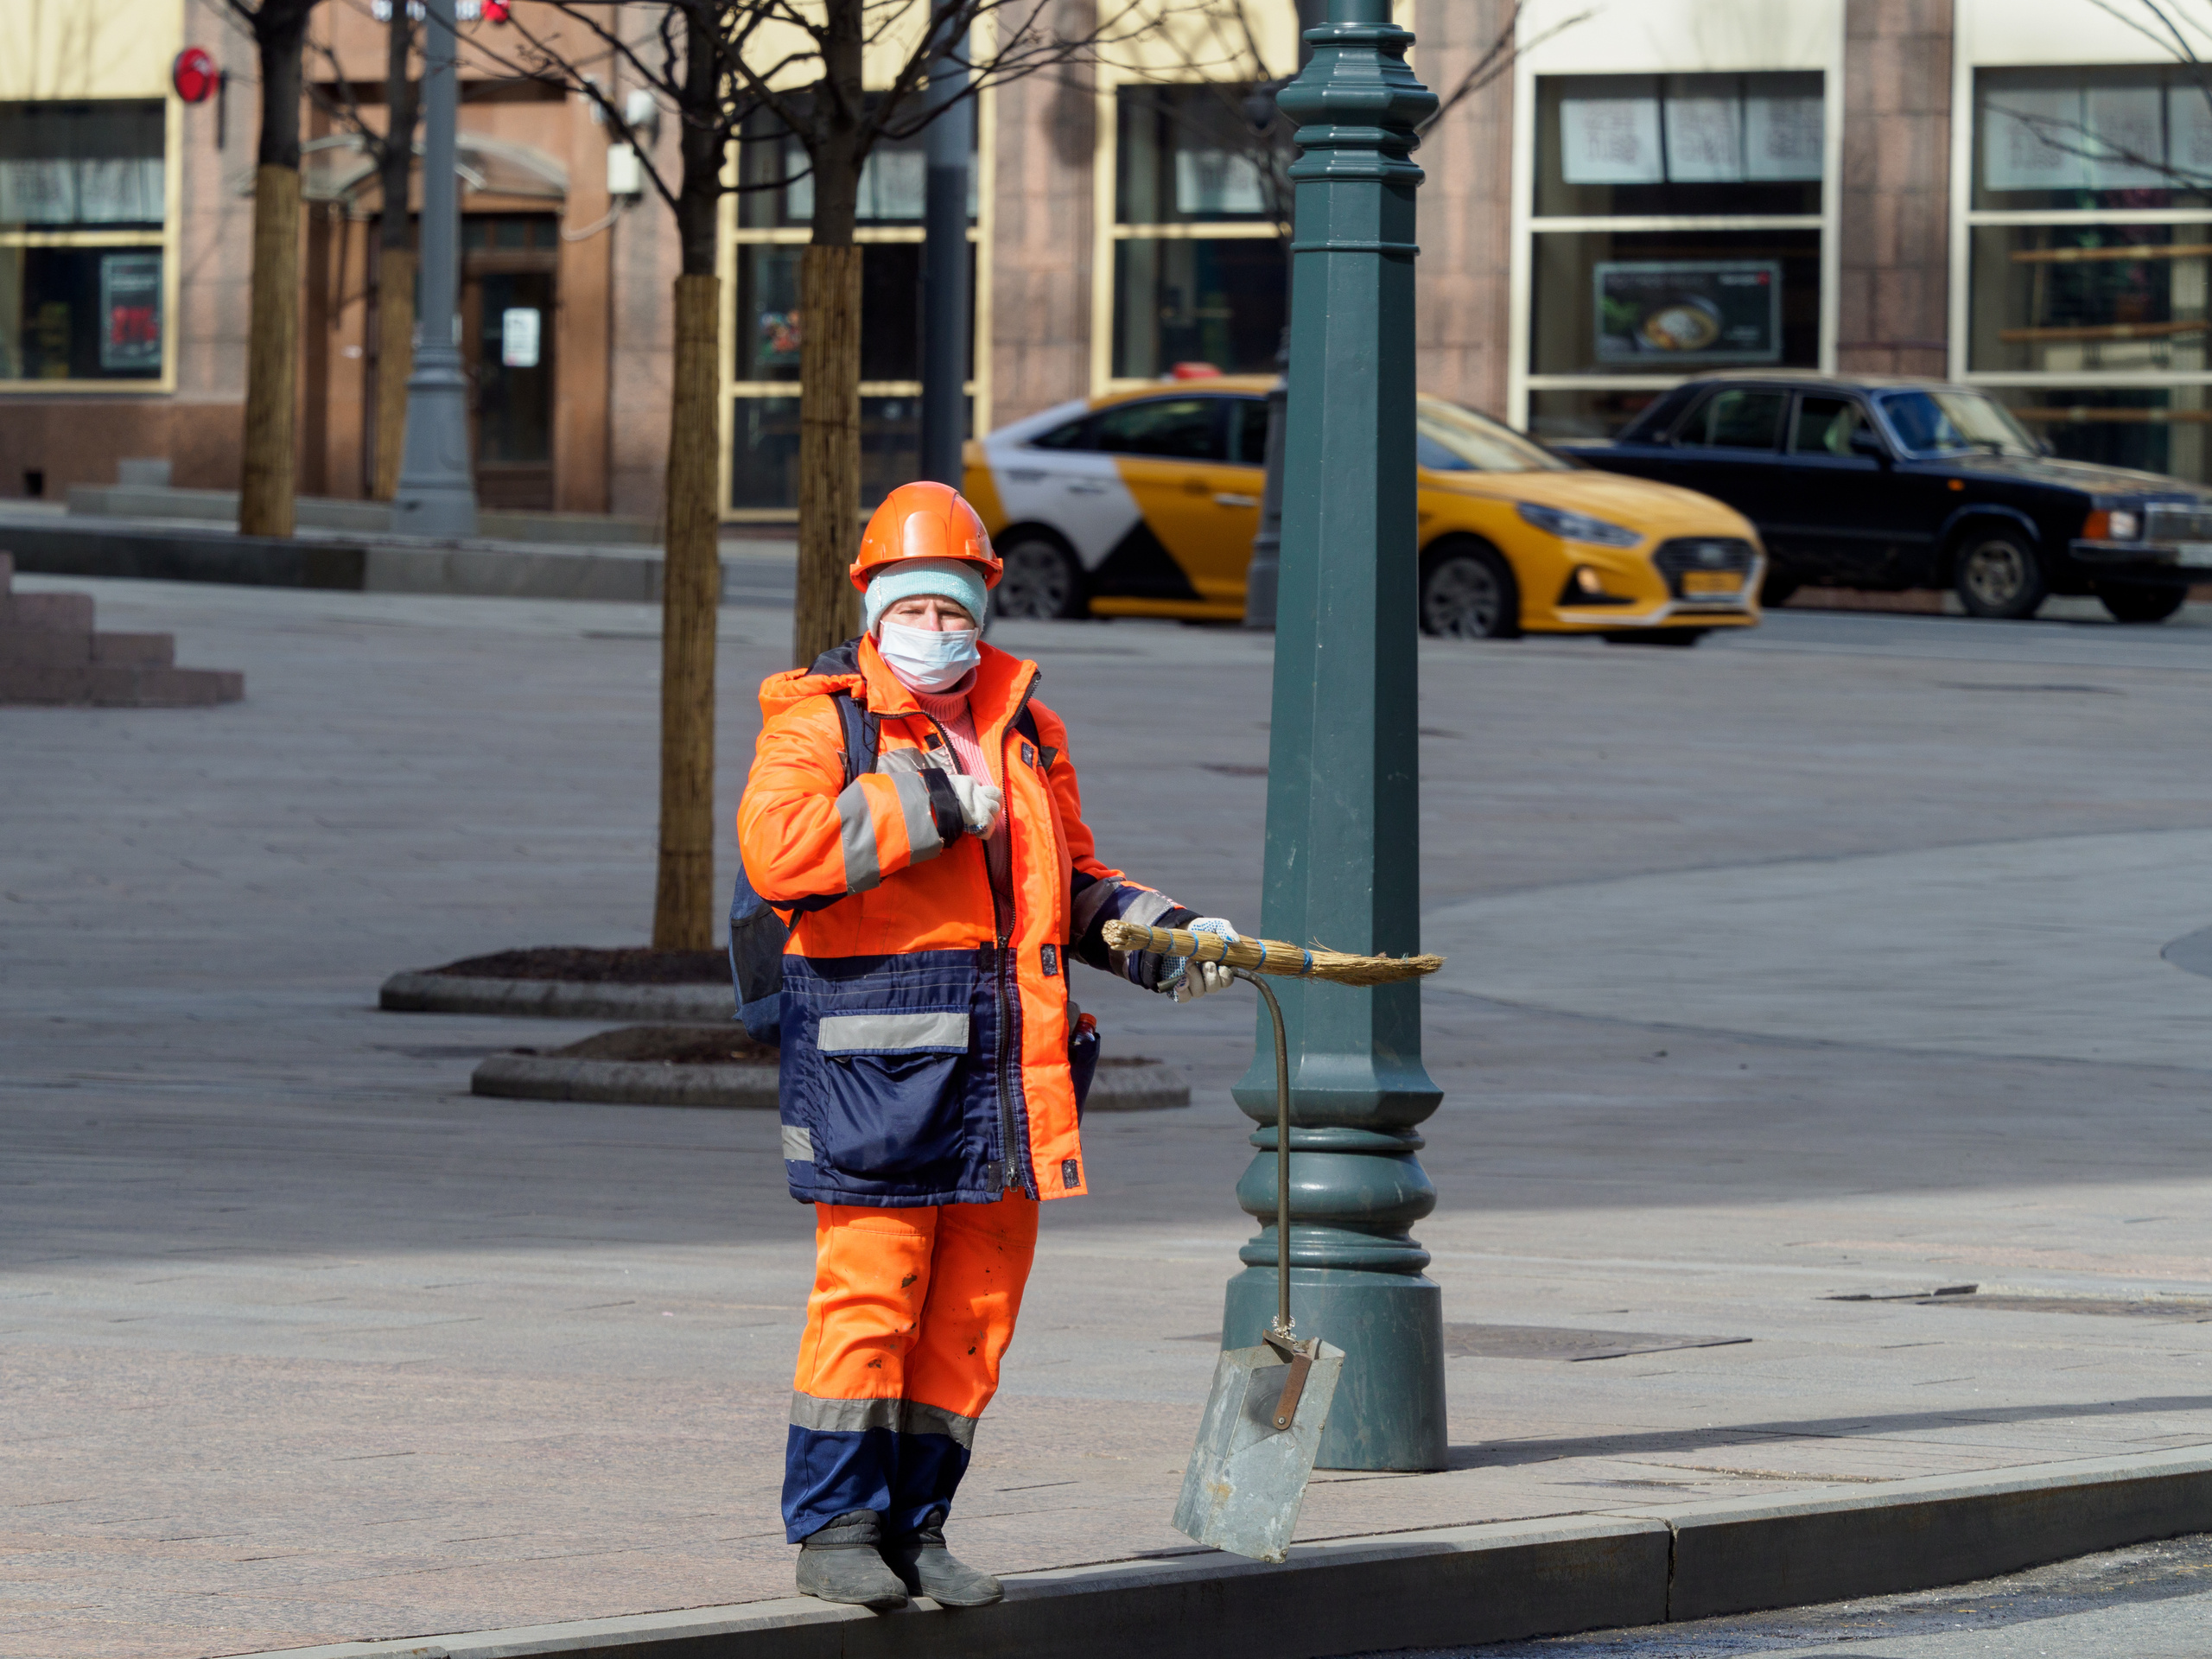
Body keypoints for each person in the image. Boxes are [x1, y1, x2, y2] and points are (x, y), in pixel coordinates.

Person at [736, 481, 1241, 1610]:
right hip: (876, 1074)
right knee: (872, 1296)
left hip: (1008, 1072)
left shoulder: (1028, 727)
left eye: (953, 608)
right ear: (874, 609)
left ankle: (918, 1528)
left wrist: (1167, 939)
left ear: (982, 609)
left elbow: (1071, 880)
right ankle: (836, 1532)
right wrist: (928, 801)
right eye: (913, 608)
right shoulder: (822, 719)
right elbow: (781, 854)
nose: (935, 628)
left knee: (972, 1317)